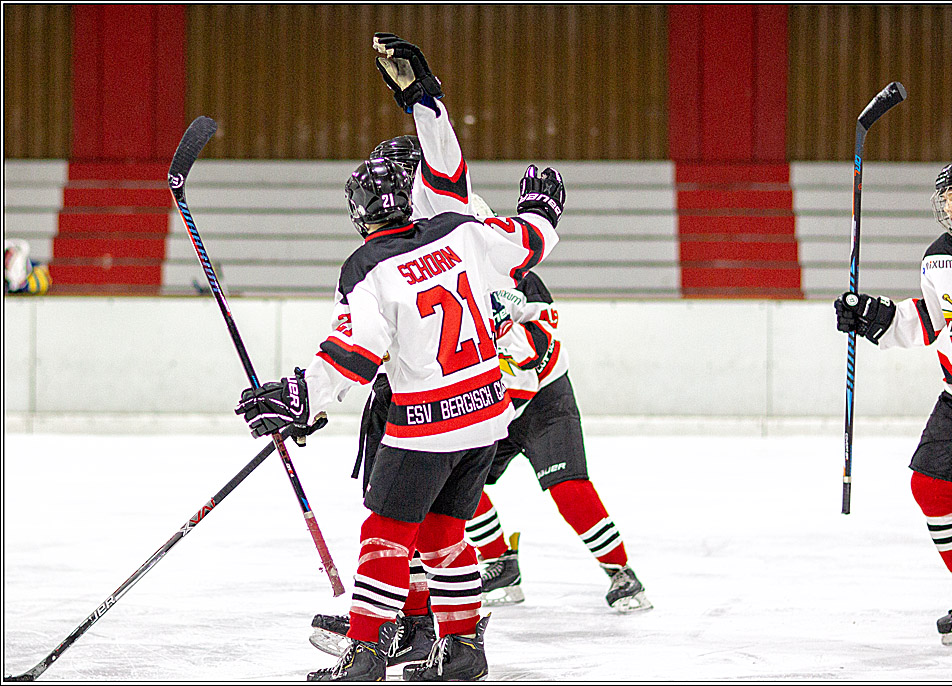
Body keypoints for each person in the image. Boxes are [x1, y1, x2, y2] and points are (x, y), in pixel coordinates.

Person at [236, 38, 565, 683]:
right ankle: (464, 649)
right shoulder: (465, 233)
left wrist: (296, 396)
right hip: (486, 417)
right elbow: (533, 236)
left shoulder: (368, 267)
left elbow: (352, 359)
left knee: (385, 535)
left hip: (425, 423)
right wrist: (427, 103)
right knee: (447, 531)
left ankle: (365, 657)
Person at [834, 154, 952, 646]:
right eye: (948, 198)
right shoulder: (937, 256)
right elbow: (932, 321)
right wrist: (873, 317)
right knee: (930, 486)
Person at [465, 268, 653, 614]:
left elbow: (537, 347)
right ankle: (500, 565)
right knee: (453, 481)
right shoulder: (438, 279)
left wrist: (501, 328)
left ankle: (621, 572)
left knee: (569, 488)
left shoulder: (521, 277)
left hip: (544, 402)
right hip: (488, 404)